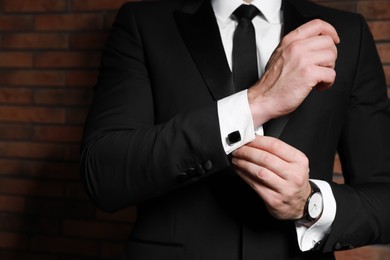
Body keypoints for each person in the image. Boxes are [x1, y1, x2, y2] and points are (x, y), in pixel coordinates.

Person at [80, 0, 390, 259]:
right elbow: (102, 173)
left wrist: (311, 204)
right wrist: (255, 103)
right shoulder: (144, 23)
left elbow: (384, 196)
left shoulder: (348, 33)